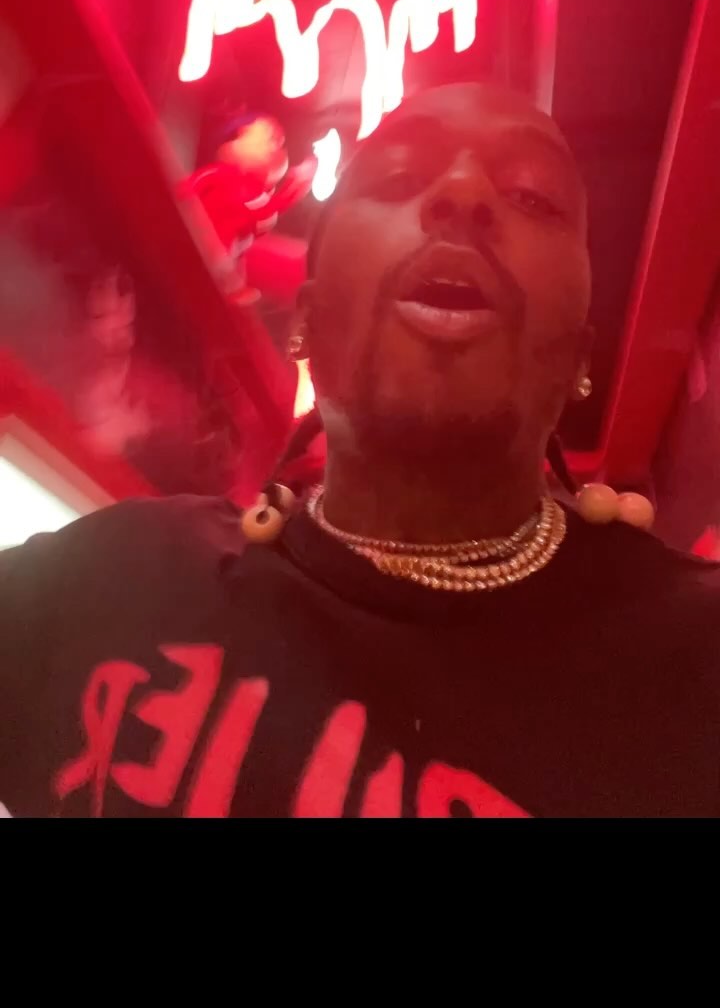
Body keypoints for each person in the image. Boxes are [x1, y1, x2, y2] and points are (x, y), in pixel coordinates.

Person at [2, 83, 719, 819]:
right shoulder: (112, 577)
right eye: (400, 177)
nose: (464, 192)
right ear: (306, 321)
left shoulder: (698, 660)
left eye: (533, 196)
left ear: (578, 358)